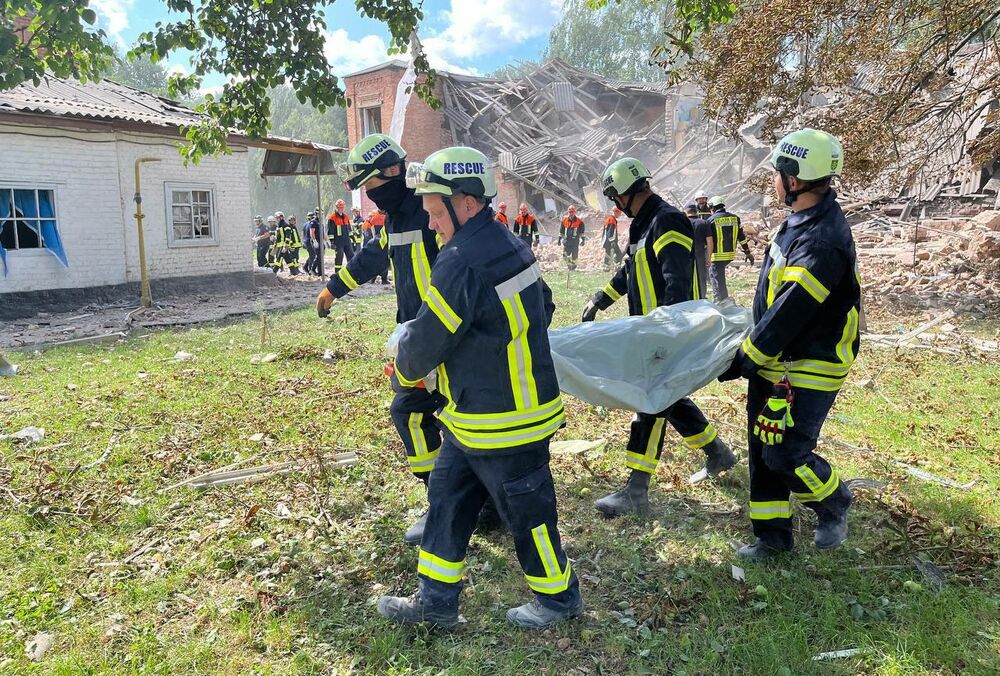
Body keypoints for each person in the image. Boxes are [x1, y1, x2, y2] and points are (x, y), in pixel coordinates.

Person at [376, 145, 583, 630]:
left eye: (434, 211)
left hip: (504, 422)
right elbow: (543, 308)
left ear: (464, 201)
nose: (431, 224)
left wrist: (406, 374)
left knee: (528, 515)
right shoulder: (509, 243)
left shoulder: (460, 262)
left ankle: (558, 600)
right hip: (475, 416)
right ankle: (435, 603)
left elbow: (425, 342)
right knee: (446, 499)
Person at [718, 129, 857, 560]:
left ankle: (834, 501)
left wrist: (745, 358)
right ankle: (772, 540)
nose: (773, 181)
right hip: (777, 361)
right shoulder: (801, 221)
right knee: (763, 450)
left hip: (810, 364)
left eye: (778, 173)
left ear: (794, 179)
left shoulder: (820, 241)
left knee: (785, 454)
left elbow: (791, 311)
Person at [580, 157, 735, 517]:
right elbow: (628, 272)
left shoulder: (666, 220)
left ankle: (636, 488)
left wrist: (670, 332)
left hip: (666, 331)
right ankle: (718, 453)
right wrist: (599, 299)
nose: (615, 206)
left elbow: (677, 278)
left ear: (624, 193)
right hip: (651, 330)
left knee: (650, 401)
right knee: (669, 398)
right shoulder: (642, 225)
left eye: (614, 198)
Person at [314, 134, 447, 543]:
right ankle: (449, 502)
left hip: (446, 338)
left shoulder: (431, 211)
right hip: (422, 339)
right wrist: (334, 288)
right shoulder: (397, 217)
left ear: (392, 172)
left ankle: (452, 506)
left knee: (432, 415)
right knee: (414, 413)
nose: (370, 198)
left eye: (371, 187)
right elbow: (374, 254)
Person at [706, 195, 754, 301]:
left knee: (715, 278)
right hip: (729, 255)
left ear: (713, 207)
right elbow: (741, 237)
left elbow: (709, 240)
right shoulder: (735, 218)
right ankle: (724, 299)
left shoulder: (711, 220)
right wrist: (747, 252)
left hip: (716, 256)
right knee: (720, 278)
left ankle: (719, 301)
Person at [685, 203, 712, 300]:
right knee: (701, 279)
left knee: (686, 277)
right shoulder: (704, 223)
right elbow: (710, 241)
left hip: (685, 255)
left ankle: (688, 299)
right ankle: (701, 298)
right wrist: (708, 257)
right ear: (696, 211)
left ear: (686, 211)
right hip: (700, 254)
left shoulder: (682, 222)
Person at [327, 199, 355, 272]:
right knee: (339, 257)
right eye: (339, 207)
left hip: (347, 241)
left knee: (351, 257)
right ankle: (337, 273)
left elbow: (349, 230)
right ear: (336, 207)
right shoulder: (332, 218)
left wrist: (352, 238)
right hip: (338, 242)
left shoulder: (346, 217)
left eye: (342, 207)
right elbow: (330, 231)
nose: (341, 209)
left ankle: (352, 273)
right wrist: (332, 242)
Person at [558, 206, 585, 270]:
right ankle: (570, 266)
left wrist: (583, 240)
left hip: (575, 241)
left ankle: (573, 268)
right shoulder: (564, 220)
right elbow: (561, 231)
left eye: (572, 212)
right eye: (570, 212)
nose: (571, 213)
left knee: (574, 256)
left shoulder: (579, 221)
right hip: (567, 241)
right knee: (565, 256)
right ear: (568, 212)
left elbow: (582, 232)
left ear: (574, 212)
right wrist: (559, 239)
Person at [301, 211, 317, 276]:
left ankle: (305, 267)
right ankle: (310, 269)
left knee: (312, 255)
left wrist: (303, 241)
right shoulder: (311, 224)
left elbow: (302, 234)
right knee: (313, 255)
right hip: (309, 242)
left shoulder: (305, 224)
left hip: (306, 241)